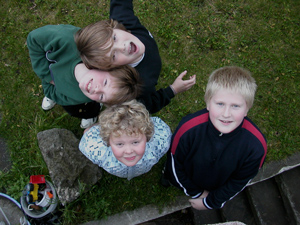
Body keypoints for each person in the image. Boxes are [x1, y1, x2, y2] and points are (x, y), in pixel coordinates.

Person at [161, 66, 267, 210]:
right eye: (220, 104)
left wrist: (211, 201)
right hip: (186, 176)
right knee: (170, 176)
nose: (226, 113)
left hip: (218, 184)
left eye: (235, 106)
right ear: (208, 103)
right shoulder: (188, 129)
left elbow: (240, 180)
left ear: (247, 109)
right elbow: (174, 163)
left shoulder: (256, 147)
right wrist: (197, 193)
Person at [75, 0, 196, 114]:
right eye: (113, 56)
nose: (123, 47)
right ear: (112, 68)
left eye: (114, 38)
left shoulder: (124, 22)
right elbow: (147, 106)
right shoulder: (138, 83)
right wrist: (173, 89)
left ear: (114, 28)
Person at [27, 24, 142, 128]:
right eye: (105, 82)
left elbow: (61, 95)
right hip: (54, 72)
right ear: (107, 67)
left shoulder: (85, 95)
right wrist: (48, 77)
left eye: (102, 96)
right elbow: (33, 39)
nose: (97, 90)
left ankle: (90, 115)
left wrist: (52, 90)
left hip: (67, 93)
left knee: (79, 109)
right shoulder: (66, 39)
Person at [79, 99, 172, 180]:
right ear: (108, 141)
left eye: (135, 142)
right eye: (120, 144)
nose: (128, 151)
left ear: (147, 136)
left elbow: (164, 132)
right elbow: (87, 138)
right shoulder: (99, 153)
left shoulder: (157, 146)